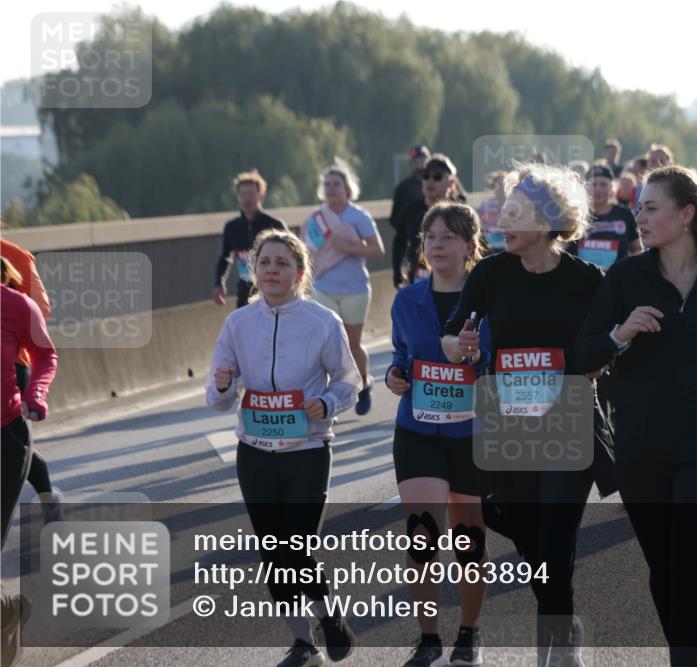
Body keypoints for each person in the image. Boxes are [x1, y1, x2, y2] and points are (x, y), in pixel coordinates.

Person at [576, 165, 697, 667]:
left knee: (690, 570)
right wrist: (622, 334)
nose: (638, 216)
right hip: (642, 446)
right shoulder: (624, 277)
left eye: (651, 207)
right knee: (663, 572)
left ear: (685, 215)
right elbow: (583, 354)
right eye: (637, 207)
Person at [441, 163, 614, 666]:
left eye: (514, 213)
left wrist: (598, 363)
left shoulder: (587, 280)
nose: (501, 221)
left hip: (569, 416)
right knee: (518, 525)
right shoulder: (491, 274)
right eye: (502, 210)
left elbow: (604, 347)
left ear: (548, 221)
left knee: (556, 540)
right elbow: (452, 333)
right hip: (508, 421)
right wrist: (459, 347)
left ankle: (555, 651)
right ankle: (566, 622)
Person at [207, 230, 362, 667]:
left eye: (282, 263)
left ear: (299, 273)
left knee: (296, 546)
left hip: (307, 450)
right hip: (254, 451)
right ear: (253, 271)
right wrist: (222, 385)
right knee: (273, 552)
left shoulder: (322, 322)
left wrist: (327, 403)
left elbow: (350, 381)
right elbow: (217, 397)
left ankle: (328, 613)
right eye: (265, 263)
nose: (273, 270)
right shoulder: (238, 323)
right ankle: (303, 642)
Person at [387, 203, 491, 667]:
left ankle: (467, 634)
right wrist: (395, 375)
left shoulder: (490, 299)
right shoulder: (406, 299)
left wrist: (478, 361)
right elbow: (400, 354)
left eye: (447, 236)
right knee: (422, 536)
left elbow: (502, 358)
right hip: (418, 430)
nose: (436, 244)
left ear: (470, 246)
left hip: (471, 432)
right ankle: (428, 636)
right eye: (430, 236)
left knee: (468, 541)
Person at [1, 256, 57, 667]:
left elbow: (44, 354)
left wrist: (36, 394)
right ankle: (9, 609)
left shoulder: (17, 305)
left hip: (6, 436)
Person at [302, 161, 385, 416]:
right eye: (327, 184)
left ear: (347, 188)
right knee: (325, 345)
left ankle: (363, 382)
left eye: (336, 184)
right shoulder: (316, 220)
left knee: (351, 344)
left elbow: (378, 250)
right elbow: (306, 254)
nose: (331, 189)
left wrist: (349, 247)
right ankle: (326, 402)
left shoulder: (358, 216)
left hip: (354, 289)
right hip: (322, 287)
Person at [0, 235, 62, 521]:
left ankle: (47, 496)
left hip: (12, 363)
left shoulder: (17, 257)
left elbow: (41, 308)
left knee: (14, 444)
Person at [212, 169, 288, 308]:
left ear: (261, 196)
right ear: (238, 197)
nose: (247, 199)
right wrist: (219, 283)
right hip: (245, 291)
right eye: (243, 194)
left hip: (272, 290)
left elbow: (291, 257)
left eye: (252, 194)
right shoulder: (231, 227)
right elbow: (224, 257)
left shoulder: (275, 225)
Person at [395, 154, 462, 288]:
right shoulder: (411, 210)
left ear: (451, 182)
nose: (430, 181)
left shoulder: (460, 212)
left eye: (437, 176)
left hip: (452, 279)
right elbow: (399, 242)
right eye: (426, 176)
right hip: (418, 277)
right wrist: (397, 274)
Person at [573, 164, 642, 270]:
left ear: (612, 188)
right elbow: (561, 250)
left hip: (616, 282)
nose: (598, 189)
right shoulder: (575, 215)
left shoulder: (624, 214)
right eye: (594, 184)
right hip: (581, 281)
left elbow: (637, 249)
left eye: (603, 184)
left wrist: (628, 270)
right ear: (586, 187)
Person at [391, 145, 431, 240]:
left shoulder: (441, 183)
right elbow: (395, 219)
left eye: (423, 161)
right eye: (416, 162)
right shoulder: (403, 188)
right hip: (414, 241)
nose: (420, 166)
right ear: (411, 164)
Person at [478, 171, 508, 256]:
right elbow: (482, 225)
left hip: (507, 244)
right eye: (498, 184)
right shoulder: (485, 205)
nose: (501, 187)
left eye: (504, 184)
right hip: (490, 244)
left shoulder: (513, 205)